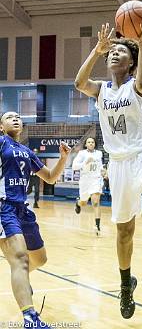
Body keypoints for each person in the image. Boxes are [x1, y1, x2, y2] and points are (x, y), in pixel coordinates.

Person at [75, 20, 142, 319]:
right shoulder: (100, 90)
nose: (113, 54)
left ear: (130, 64)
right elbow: (79, 83)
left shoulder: (135, 85)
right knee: (124, 231)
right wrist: (96, 49)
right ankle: (126, 285)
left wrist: (141, 46)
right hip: (117, 164)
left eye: (120, 52)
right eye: (111, 52)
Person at [0, 112, 71, 328]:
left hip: (23, 210)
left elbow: (49, 177)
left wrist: (63, 159)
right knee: (20, 259)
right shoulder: (1, 142)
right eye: (9, 117)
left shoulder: (27, 151)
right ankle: (30, 318)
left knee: (39, 259)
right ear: (1, 126)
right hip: (4, 208)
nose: (15, 118)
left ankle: (21, 279)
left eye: (18, 117)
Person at [72, 137, 103, 236]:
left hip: (96, 179)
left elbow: (100, 166)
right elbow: (74, 166)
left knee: (95, 202)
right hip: (85, 180)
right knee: (84, 202)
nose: (91, 143)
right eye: (89, 142)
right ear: (85, 144)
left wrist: (103, 171)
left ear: (95, 144)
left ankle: (97, 226)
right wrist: (85, 162)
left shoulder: (99, 153)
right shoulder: (82, 154)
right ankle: (78, 203)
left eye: (92, 142)